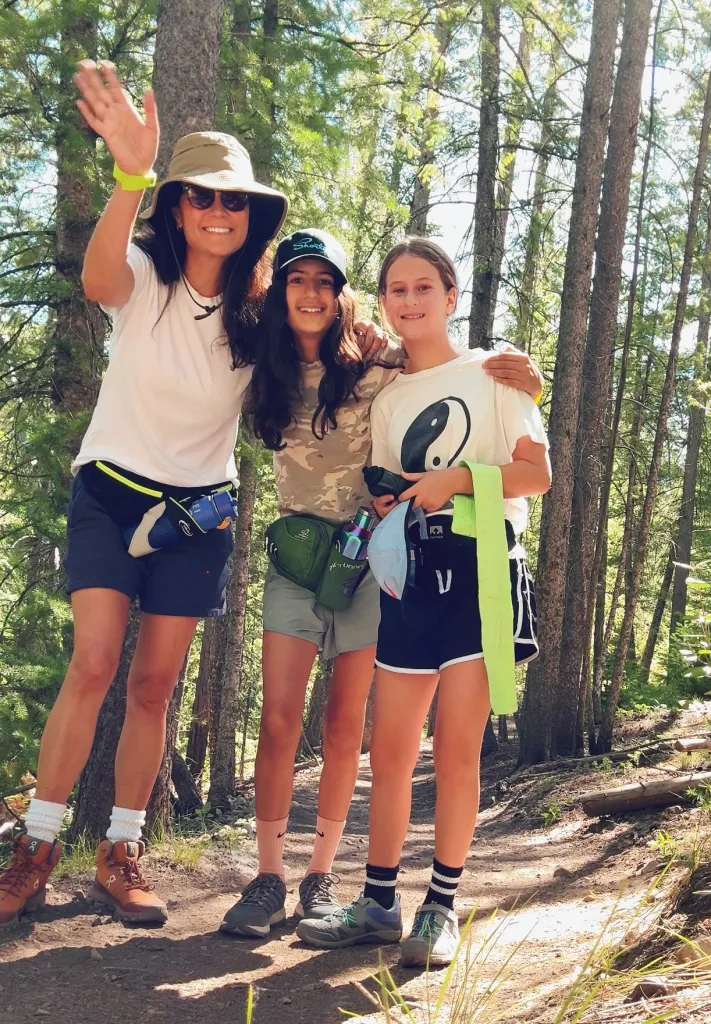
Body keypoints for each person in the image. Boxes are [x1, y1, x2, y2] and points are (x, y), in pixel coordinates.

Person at [0, 59, 294, 928]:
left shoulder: (263, 308)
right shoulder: (145, 273)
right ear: (175, 208)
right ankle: (37, 847)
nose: (216, 212)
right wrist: (133, 171)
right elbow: (96, 284)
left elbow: (342, 348)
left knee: (154, 687)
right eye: (199, 196)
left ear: (253, 217)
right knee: (93, 663)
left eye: (233, 201)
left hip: (197, 515)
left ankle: (121, 853)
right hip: (113, 493)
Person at [218, 230, 545, 938]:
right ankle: (328, 891)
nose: (410, 300)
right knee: (341, 739)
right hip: (362, 571)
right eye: (398, 289)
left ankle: (404, 900)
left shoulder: (444, 373)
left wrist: (465, 471)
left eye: (424, 287)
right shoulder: (326, 381)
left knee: (416, 743)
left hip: (441, 569)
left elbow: (528, 465)